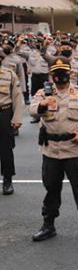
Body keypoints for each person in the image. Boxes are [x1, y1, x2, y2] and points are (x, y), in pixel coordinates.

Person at [29, 57, 78, 242]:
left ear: (70, 73)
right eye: (56, 73)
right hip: (51, 150)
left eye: (63, 72)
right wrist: (43, 104)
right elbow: (31, 110)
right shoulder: (43, 93)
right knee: (51, 189)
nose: (60, 76)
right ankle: (48, 225)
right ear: (51, 75)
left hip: (74, 149)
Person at [0, 51, 23, 195]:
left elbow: (17, 97)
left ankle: (7, 180)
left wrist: (17, 118)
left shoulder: (9, 74)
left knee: (6, 149)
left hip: (4, 113)